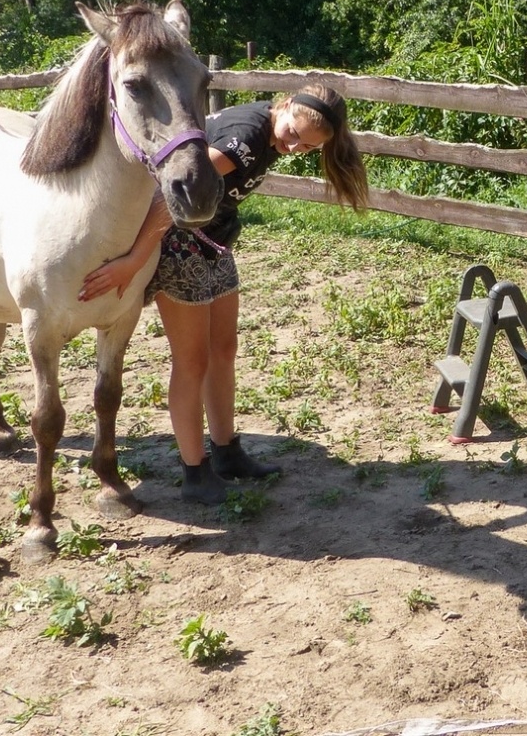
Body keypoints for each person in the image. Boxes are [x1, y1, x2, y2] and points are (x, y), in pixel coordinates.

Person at [79, 85, 369, 503]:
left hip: (213, 240)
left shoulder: (269, 136)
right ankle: (195, 474)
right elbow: (172, 193)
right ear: (284, 104)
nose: (294, 146)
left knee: (224, 349)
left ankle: (227, 452)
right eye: (293, 133)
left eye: (306, 145)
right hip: (178, 242)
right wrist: (134, 260)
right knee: (193, 360)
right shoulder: (245, 138)